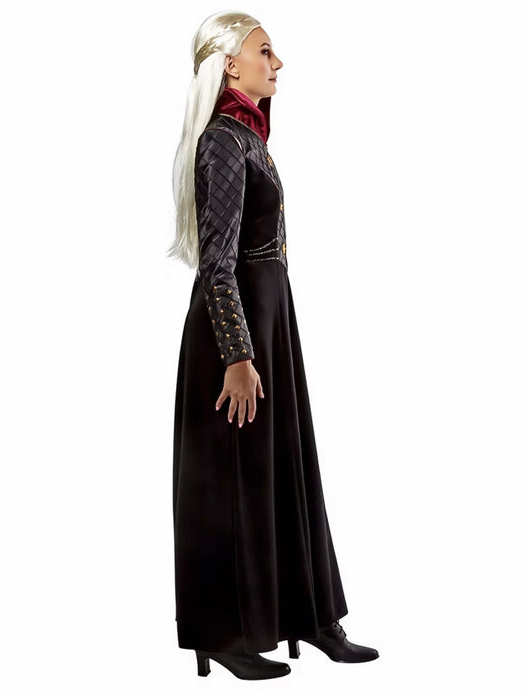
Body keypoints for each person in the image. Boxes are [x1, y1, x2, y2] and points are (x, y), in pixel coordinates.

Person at [168, 10, 379, 681]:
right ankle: (225, 633)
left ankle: (308, 616)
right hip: (235, 332)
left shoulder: (249, 138)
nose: (277, 62)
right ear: (230, 64)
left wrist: (263, 339)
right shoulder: (222, 142)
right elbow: (217, 263)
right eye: (265, 51)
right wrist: (237, 355)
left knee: (286, 464)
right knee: (231, 479)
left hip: (270, 318)